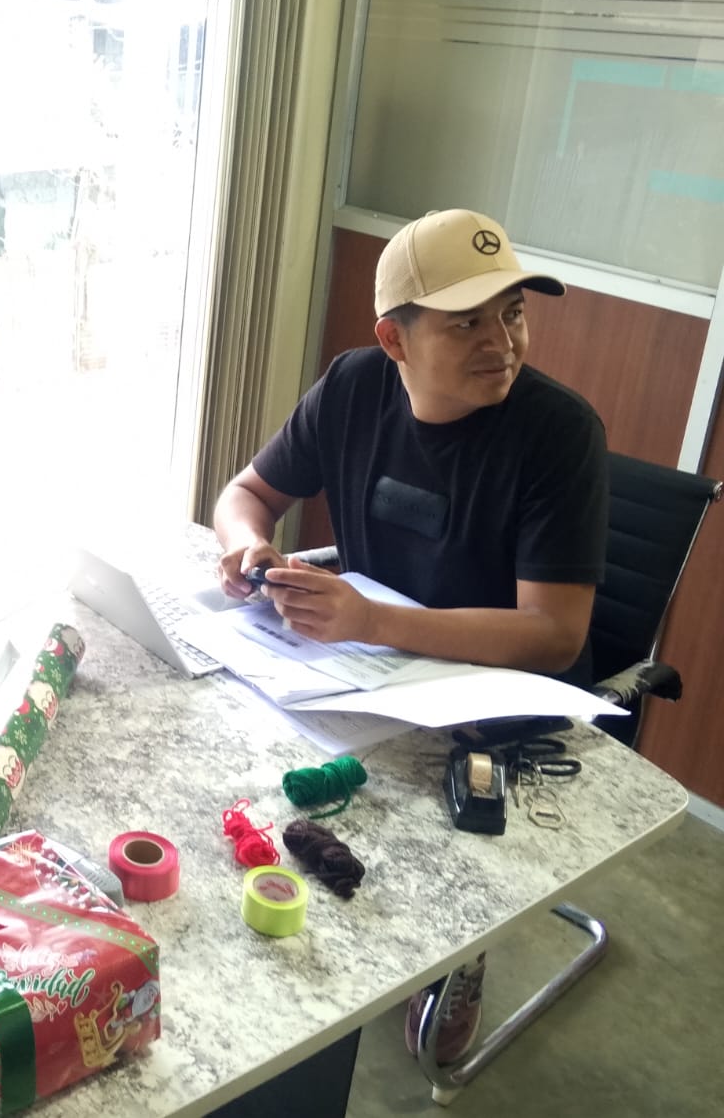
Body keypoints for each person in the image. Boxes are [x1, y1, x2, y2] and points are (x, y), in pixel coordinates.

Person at [211, 207, 609, 1064]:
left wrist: (371, 621)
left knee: (420, 853)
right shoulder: (354, 387)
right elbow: (244, 495)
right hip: (366, 672)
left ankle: (462, 949)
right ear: (394, 339)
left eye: (513, 312)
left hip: (496, 705)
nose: (502, 341)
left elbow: (555, 635)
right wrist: (246, 546)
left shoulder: (559, 434)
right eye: (467, 322)